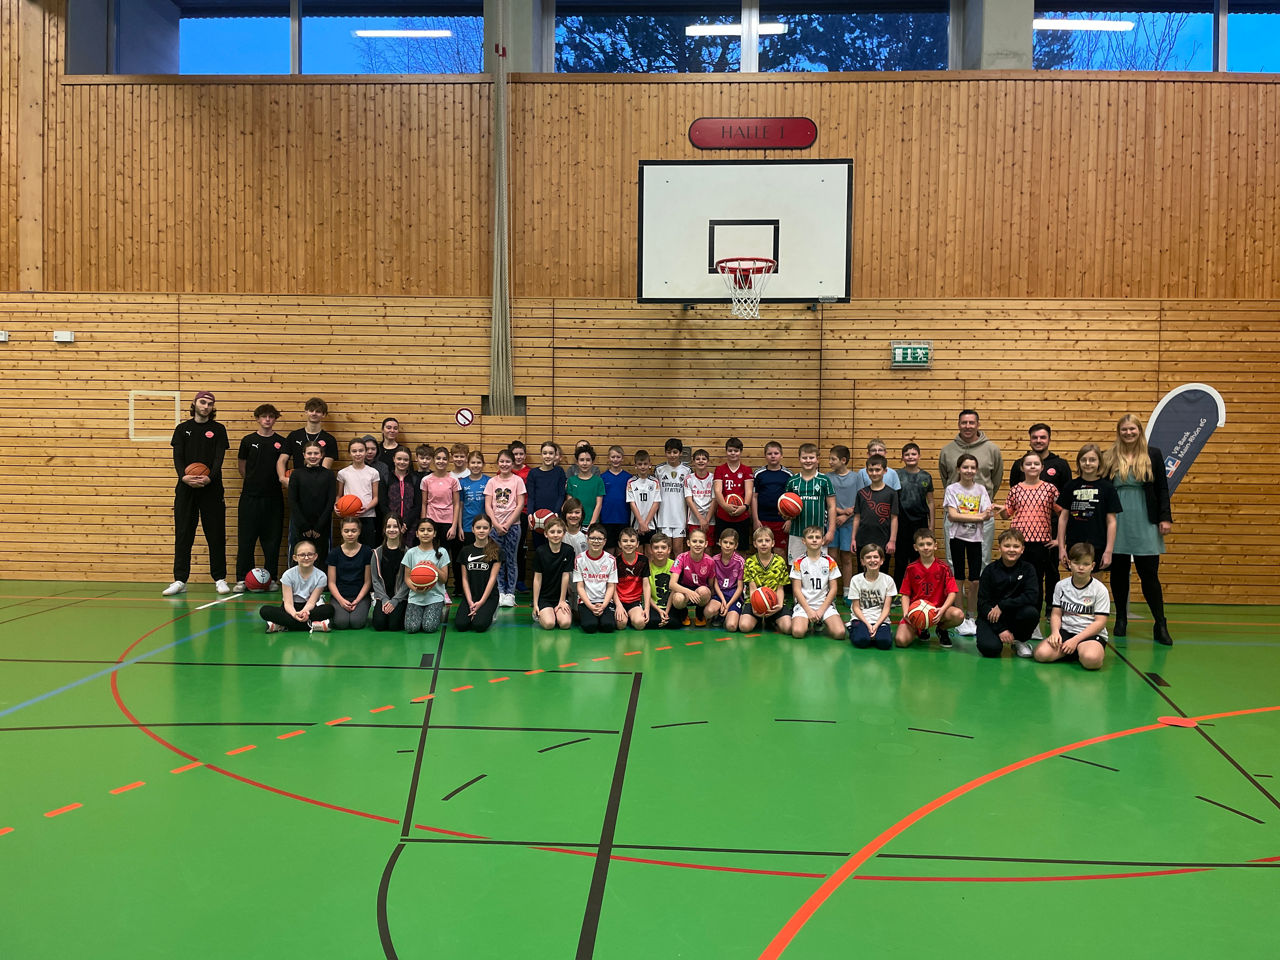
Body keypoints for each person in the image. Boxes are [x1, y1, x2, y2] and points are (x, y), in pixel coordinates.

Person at [1102, 413, 1174, 645]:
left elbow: (1163, 488)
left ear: (1139, 430)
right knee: (1119, 572)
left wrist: (1165, 518)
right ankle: (1121, 618)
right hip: (1117, 518)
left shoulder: (1153, 453)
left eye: (1132, 429)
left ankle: (1160, 623)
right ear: (1119, 432)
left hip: (1145, 517)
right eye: (1124, 429)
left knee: (1149, 574)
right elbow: (1103, 488)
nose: (1128, 433)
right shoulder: (1110, 454)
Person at [164, 390, 231, 596]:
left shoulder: (218, 429)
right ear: (194, 404)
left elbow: (219, 458)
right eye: (203, 402)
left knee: (216, 534)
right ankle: (180, 579)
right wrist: (183, 477)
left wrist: (210, 477)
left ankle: (219, 578)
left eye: (210, 404)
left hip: (212, 488)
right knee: (184, 533)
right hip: (185, 489)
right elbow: (178, 458)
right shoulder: (182, 429)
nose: (206, 406)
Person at [1000, 451, 1062, 628]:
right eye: (1028, 464)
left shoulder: (1050, 489)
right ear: (1022, 467)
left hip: (1041, 543)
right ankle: (1012, 619)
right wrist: (1000, 510)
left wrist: (1059, 539)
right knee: (1016, 581)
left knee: (1036, 583)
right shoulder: (1016, 489)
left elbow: (1063, 514)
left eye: (1036, 464)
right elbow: (1007, 514)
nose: (1032, 467)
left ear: (1042, 467)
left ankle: (1033, 623)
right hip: (1018, 544)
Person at [938, 409, 1003, 572]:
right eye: (964, 422)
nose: (968, 426)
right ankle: (957, 597)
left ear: (978, 424)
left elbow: (996, 478)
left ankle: (981, 597)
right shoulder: (947, 450)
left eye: (971, 422)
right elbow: (946, 479)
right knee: (952, 559)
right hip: (955, 515)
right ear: (958, 425)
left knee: (983, 557)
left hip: (983, 514)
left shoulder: (992, 449)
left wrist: (983, 503)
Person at [1036, 542, 1110, 670]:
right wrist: (1054, 633)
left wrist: (1075, 641)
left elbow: (1100, 622)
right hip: (1066, 632)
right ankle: (1072, 651)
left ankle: (1080, 650)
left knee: (1092, 661)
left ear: (1092, 566)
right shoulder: (1061, 586)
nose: (1081, 567)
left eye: (1086, 564)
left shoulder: (1100, 589)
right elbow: (1056, 613)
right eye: (1076, 563)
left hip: (1088, 635)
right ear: (1069, 563)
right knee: (1041, 654)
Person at [234, 403, 284, 592]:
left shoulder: (281, 441)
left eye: (271, 416)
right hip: (250, 498)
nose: (267, 420)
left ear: (275, 419)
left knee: (272, 541)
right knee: (246, 540)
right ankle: (241, 578)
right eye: (264, 416)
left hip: (273, 498)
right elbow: (242, 465)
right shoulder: (248, 440)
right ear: (258, 418)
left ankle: (271, 578)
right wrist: (253, 482)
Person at [943, 454, 993, 637]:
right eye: (965, 467)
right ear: (958, 469)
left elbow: (987, 515)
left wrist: (981, 516)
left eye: (972, 467)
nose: (969, 471)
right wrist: (978, 516)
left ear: (977, 470)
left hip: (976, 538)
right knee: (958, 576)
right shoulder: (952, 489)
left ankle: (972, 616)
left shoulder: (980, 489)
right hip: (957, 537)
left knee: (975, 579)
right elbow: (953, 516)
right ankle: (960, 616)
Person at [975, 529, 1041, 658]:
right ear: (999, 547)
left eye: (1016, 546)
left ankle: (1019, 641)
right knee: (990, 649)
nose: (1011, 550)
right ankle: (997, 637)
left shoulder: (1028, 569)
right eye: (1007, 546)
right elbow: (982, 604)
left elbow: (1032, 596)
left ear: (1022, 549)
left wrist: (1003, 605)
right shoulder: (989, 571)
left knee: (1031, 612)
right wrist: (1000, 629)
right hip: (992, 618)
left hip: (1015, 615)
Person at [1057, 443, 1121, 573]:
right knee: (1077, 584)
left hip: (1098, 544)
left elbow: (1112, 521)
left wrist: (1108, 551)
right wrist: (1061, 548)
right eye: (1083, 460)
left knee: (1095, 585)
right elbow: (1063, 518)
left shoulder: (1107, 488)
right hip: (1074, 543)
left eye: (1092, 460)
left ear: (1099, 462)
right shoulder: (1071, 486)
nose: (1087, 463)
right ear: (1078, 462)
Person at [895, 529, 964, 648]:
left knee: (958, 615)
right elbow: (905, 594)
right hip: (916, 611)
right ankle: (921, 628)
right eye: (921, 545)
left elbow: (952, 592)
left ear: (935, 546)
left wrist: (942, 609)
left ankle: (941, 629)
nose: (925, 547)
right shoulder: (911, 568)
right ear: (915, 547)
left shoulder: (944, 568)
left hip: (937, 611)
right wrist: (906, 612)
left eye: (929, 544)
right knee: (901, 641)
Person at [258, 539, 334, 633]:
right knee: (264, 610)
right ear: (295, 557)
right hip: (290, 608)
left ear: (315, 556)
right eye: (302, 555)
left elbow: (311, 602)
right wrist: (294, 614)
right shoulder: (288, 575)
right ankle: (313, 625)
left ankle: (282, 625)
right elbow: (288, 603)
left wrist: (304, 612)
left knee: (329, 610)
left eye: (310, 554)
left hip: (309, 609)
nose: (306, 558)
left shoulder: (321, 576)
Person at [484, 449, 526, 607]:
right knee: (497, 559)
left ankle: (510, 593)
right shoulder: (492, 482)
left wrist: (507, 524)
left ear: (512, 463)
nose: (504, 464)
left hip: (513, 527)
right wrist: (495, 524)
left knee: (511, 559)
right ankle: (500, 591)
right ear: (497, 463)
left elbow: (520, 504)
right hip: (495, 527)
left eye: (508, 461)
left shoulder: (517, 481)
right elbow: (488, 505)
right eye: (502, 461)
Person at [790, 525, 845, 640]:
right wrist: (809, 611)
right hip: (805, 605)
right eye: (810, 537)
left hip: (824, 605)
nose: (814, 540)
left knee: (840, 633)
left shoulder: (830, 561)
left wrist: (821, 611)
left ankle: (820, 621)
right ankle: (809, 620)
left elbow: (834, 589)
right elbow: (796, 590)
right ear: (804, 541)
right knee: (797, 632)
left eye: (817, 537)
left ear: (823, 540)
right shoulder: (798, 562)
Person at [783, 443, 836, 563]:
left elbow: (832, 506)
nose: (808, 460)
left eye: (811, 457)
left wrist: (831, 531)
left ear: (818, 459)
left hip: (818, 534)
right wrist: (787, 518)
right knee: (796, 566)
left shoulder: (824, 480)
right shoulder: (792, 481)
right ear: (799, 459)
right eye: (804, 457)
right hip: (797, 533)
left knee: (820, 566)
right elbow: (785, 505)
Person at [287, 441, 337, 563]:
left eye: (316, 453)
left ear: (321, 455)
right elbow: (293, 501)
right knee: (300, 555)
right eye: (309, 453)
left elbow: (330, 501)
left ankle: (321, 582)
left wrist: (319, 526)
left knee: (320, 556)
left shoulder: (329, 475)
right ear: (304, 455)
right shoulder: (296, 474)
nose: (313, 456)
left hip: (322, 526)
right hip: (300, 525)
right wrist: (304, 526)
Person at [421, 445, 463, 588]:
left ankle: (442, 589)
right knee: (431, 554)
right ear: (433, 460)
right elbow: (424, 504)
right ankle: (429, 583)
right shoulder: (426, 480)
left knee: (444, 556)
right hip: (432, 522)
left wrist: (454, 526)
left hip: (447, 523)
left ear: (448, 460)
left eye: (444, 459)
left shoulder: (453, 480)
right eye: (438, 458)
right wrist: (423, 524)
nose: (441, 461)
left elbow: (457, 504)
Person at [894, 443, 934, 586]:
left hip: (920, 522)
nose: (910, 457)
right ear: (902, 457)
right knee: (901, 558)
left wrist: (931, 524)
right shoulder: (897, 475)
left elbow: (930, 502)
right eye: (907, 454)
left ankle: (919, 589)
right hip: (901, 522)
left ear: (919, 456)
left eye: (913, 454)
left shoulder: (926, 476)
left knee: (919, 557)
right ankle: (899, 591)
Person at [739, 525, 791, 634]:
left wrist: (779, 605)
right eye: (760, 541)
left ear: (772, 543)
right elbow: (752, 588)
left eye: (767, 540)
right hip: (755, 602)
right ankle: (757, 619)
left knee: (788, 628)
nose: (763, 543)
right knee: (744, 627)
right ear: (754, 544)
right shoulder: (750, 562)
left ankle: (771, 619)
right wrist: (755, 607)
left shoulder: (780, 561)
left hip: (775, 601)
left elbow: (780, 588)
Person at [455, 514, 502, 632]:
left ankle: (491, 610)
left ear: (490, 529)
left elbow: (492, 579)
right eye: (478, 527)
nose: (481, 530)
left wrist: (481, 602)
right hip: (471, 596)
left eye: (485, 528)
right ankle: (475, 610)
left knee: (479, 626)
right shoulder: (465, 551)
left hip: (488, 597)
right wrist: (470, 601)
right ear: (472, 529)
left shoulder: (497, 551)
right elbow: (464, 579)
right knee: (461, 625)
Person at [403, 518, 449, 635]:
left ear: (434, 533)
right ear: (417, 534)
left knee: (429, 627)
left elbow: (444, 580)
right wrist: (415, 589)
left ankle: (438, 610)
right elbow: (407, 578)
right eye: (422, 530)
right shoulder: (411, 553)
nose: (425, 533)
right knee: (411, 628)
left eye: (429, 530)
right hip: (415, 597)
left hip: (434, 597)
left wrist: (434, 568)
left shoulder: (442, 552)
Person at [851, 454, 899, 568]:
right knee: (863, 573)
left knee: (882, 574)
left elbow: (894, 518)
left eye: (877, 470)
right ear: (866, 471)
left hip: (883, 541)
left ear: (885, 471)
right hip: (863, 540)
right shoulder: (861, 493)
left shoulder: (892, 493)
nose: (874, 473)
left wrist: (892, 540)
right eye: (871, 470)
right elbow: (857, 517)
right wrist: (853, 539)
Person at [846, 543, 896, 650]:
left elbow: (887, 608)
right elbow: (856, 607)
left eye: (876, 557)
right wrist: (868, 625)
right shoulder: (856, 580)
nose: (872, 560)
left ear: (882, 560)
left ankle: (881, 632)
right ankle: (853, 628)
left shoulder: (888, 580)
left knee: (884, 643)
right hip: (861, 618)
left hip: (880, 619)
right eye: (868, 557)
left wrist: (877, 625)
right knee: (862, 641)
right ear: (862, 561)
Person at [327, 517, 373, 630]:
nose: (350, 534)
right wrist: (341, 601)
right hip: (340, 596)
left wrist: (357, 600)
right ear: (341, 532)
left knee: (356, 623)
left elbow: (367, 582)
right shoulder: (334, 553)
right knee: (341, 623)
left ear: (359, 532)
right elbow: (331, 582)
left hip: (360, 596)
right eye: (346, 531)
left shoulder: (367, 552)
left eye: (353, 531)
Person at [277, 397, 336, 485]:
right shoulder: (294, 436)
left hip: (318, 484)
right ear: (306, 412)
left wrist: (316, 481)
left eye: (318, 411)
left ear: (324, 415)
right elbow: (282, 460)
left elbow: (325, 467)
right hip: (297, 483)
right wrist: (282, 478)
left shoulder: (329, 439)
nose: (314, 413)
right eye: (311, 410)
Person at [531, 515, 574, 630]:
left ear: (564, 534)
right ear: (546, 534)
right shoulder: (540, 551)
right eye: (552, 532)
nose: (556, 535)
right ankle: (543, 612)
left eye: (559, 532)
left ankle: (558, 611)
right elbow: (537, 579)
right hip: (544, 597)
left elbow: (565, 576)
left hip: (559, 596)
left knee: (565, 624)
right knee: (549, 624)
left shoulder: (568, 551)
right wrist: (535, 603)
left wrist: (562, 600)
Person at [574, 524, 619, 634]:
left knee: (608, 626)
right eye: (593, 538)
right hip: (586, 602)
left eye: (599, 539)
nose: (596, 541)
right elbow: (580, 587)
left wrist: (603, 605)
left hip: (605, 601)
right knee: (590, 626)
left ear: (604, 541)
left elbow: (610, 586)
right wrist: (590, 606)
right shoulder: (579, 559)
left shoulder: (611, 560)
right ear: (587, 539)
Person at [336, 438, 379, 546]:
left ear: (365, 452)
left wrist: (367, 508)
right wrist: (336, 506)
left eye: (361, 450)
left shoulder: (373, 472)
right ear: (349, 453)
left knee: (368, 548)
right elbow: (339, 495)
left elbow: (376, 498)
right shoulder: (343, 473)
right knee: (349, 547)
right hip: (349, 518)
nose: (358, 454)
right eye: (354, 451)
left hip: (368, 516)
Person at [713, 437, 753, 550]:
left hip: (742, 516)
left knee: (741, 548)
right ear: (726, 451)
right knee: (722, 548)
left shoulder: (746, 469)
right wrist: (725, 506)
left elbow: (749, 490)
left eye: (736, 450)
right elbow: (717, 490)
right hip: (723, 515)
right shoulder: (720, 469)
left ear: (740, 452)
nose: (733, 453)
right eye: (730, 450)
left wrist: (744, 507)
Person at [526, 441, 567, 551]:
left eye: (551, 453)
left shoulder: (559, 472)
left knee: (555, 549)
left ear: (555, 455)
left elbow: (561, 494)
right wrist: (530, 513)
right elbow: (531, 496)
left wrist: (555, 513)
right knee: (539, 549)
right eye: (545, 453)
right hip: (537, 518)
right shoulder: (533, 473)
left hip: (554, 517)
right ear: (541, 455)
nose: (548, 456)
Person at [752, 441, 791, 555]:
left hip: (781, 521)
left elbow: (792, 499)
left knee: (780, 552)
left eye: (776, 453)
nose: (773, 456)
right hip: (763, 520)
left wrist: (789, 520)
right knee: (763, 550)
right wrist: (755, 519)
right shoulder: (759, 474)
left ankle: (779, 573)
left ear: (781, 455)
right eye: (769, 453)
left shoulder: (788, 475)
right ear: (765, 456)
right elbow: (754, 498)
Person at [670, 527, 715, 626]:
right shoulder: (681, 558)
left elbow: (711, 586)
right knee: (678, 598)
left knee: (705, 591)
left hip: (700, 591)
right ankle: (684, 613)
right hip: (684, 590)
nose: (698, 544)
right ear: (688, 543)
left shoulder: (710, 561)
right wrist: (689, 592)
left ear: (706, 544)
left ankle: (700, 613)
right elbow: (672, 584)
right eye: (694, 541)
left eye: (701, 542)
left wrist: (709, 601)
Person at [371, 516, 409, 632]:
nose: (392, 530)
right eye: (388, 526)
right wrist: (384, 599)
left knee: (394, 626)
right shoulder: (377, 553)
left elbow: (407, 581)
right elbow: (375, 579)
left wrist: (395, 600)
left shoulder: (407, 552)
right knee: (379, 625)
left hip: (400, 596)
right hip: (383, 596)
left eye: (395, 526)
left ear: (402, 528)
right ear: (384, 529)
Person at [827, 445, 858, 587]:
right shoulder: (827, 478)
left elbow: (861, 501)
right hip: (832, 523)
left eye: (833, 459)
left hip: (850, 523)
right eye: (830, 459)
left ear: (843, 460)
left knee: (846, 558)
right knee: (831, 558)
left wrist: (846, 516)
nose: (830, 462)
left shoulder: (856, 477)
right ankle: (832, 591)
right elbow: (826, 501)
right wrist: (840, 512)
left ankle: (847, 591)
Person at [655, 438, 691, 558]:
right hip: (663, 516)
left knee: (678, 549)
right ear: (665, 453)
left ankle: (678, 576)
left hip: (679, 516)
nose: (672, 455)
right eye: (669, 452)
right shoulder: (659, 470)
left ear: (680, 453)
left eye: (675, 452)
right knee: (664, 550)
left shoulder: (687, 470)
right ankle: (666, 576)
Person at [705, 527, 745, 631]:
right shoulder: (714, 560)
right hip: (720, 595)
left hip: (734, 597)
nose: (727, 546)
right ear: (720, 542)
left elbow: (740, 587)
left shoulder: (740, 561)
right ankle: (719, 615)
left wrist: (728, 605)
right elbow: (715, 583)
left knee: (731, 626)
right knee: (708, 612)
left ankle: (731, 614)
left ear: (735, 546)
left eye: (731, 543)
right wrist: (723, 600)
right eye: (725, 542)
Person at [1009, 423, 1071, 489]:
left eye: (1043, 437)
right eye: (1034, 437)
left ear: (1049, 440)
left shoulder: (1061, 465)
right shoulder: (1019, 464)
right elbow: (1014, 491)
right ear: (1030, 440)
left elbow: (1067, 493)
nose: (1038, 441)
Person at [613, 528, 652, 630]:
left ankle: (632, 616)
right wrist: (618, 605)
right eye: (625, 541)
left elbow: (646, 585)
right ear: (619, 544)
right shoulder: (615, 562)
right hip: (619, 601)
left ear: (637, 544)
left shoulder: (643, 560)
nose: (629, 544)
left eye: (632, 541)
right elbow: (611, 586)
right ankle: (626, 617)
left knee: (640, 624)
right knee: (621, 624)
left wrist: (647, 608)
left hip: (634, 602)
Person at [384, 449, 422, 546]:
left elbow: (418, 505)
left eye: (405, 460)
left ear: (409, 462)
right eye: (399, 459)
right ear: (394, 459)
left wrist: (406, 523)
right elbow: (382, 503)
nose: (402, 462)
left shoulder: (415, 479)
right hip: (391, 525)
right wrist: (395, 522)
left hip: (410, 525)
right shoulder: (386, 478)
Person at [625, 450, 662, 547]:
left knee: (651, 552)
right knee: (638, 551)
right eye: (640, 464)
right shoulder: (631, 482)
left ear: (650, 464)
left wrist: (646, 523)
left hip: (651, 524)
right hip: (636, 524)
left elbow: (656, 503)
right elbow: (632, 503)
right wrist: (641, 523)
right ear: (635, 465)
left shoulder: (655, 482)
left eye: (645, 464)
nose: (643, 466)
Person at [600, 445, 633, 550]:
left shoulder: (628, 478)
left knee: (622, 549)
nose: (615, 459)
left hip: (623, 518)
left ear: (622, 458)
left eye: (618, 457)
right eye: (613, 457)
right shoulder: (602, 477)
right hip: (607, 518)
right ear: (609, 458)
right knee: (609, 548)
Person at [566, 445, 605, 526]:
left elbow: (599, 504)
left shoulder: (598, 481)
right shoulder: (571, 480)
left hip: (592, 523)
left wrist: (592, 523)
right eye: (581, 460)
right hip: (575, 523)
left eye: (588, 460)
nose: (584, 463)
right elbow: (569, 503)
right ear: (577, 462)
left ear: (592, 462)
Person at [683, 449, 716, 543]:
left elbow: (715, 500)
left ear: (708, 461)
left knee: (708, 547)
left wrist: (706, 520)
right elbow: (689, 501)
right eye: (697, 459)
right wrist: (700, 519)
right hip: (694, 520)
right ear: (693, 462)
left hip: (710, 520)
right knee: (694, 547)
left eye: (704, 459)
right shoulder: (688, 479)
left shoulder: (713, 478)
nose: (701, 461)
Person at [647, 532, 676, 629]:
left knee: (675, 623)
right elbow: (646, 594)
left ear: (669, 550)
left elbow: (674, 591)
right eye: (656, 548)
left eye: (663, 547)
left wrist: (666, 612)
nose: (660, 551)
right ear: (651, 550)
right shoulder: (647, 567)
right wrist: (659, 610)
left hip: (670, 605)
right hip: (654, 605)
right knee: (649, 622)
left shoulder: (674, 565)